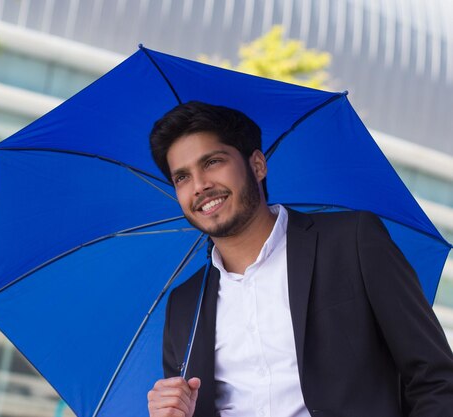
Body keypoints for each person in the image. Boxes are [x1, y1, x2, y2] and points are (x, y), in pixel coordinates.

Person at [146, 101, 453, 417]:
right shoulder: (185, 305)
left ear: (257, 165)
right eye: (182, 177)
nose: (200, 186)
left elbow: (436, 378)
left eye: (212, 162)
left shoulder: (352, 242)